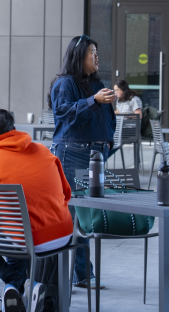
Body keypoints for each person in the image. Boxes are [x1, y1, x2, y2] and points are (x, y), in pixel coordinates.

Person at [0, 109, 73, 312]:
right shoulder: (45, 151)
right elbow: (66, 194)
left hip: (26, 241)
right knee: (16, 237)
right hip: (63, 235)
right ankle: (13, 293)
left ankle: (20, 283)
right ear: (14, 129)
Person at [47, 35, 116, 289]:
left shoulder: (95, 83)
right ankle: (80, 274)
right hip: (73, 153)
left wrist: (107, 143)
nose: (97, 56)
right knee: (74, 216)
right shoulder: (65, 83)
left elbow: (105, 118)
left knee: (84, 216)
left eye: (97, 51)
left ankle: (82, 274)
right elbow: (63, 113)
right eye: (92, 52)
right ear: (79, 56)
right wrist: (93, 101)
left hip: (95, 154)